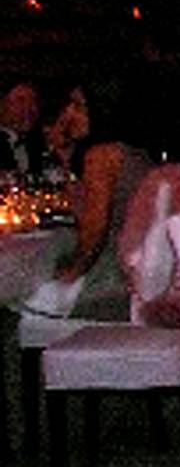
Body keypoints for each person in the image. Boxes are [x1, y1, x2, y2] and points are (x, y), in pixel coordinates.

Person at [27, 76, 153, 323]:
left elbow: (95, 229)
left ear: (100, 109)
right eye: (68, 105)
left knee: (18, 295)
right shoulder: (133, 153)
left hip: (112, 278)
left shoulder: (102, 156)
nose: (68, 114)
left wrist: (72, 271)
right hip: (138, 273)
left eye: (78, 106)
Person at [0, 77, 46, 178]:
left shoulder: (39, 143)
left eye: (33, 101)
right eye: (21, 100)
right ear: (2, 104)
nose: (29, 108)